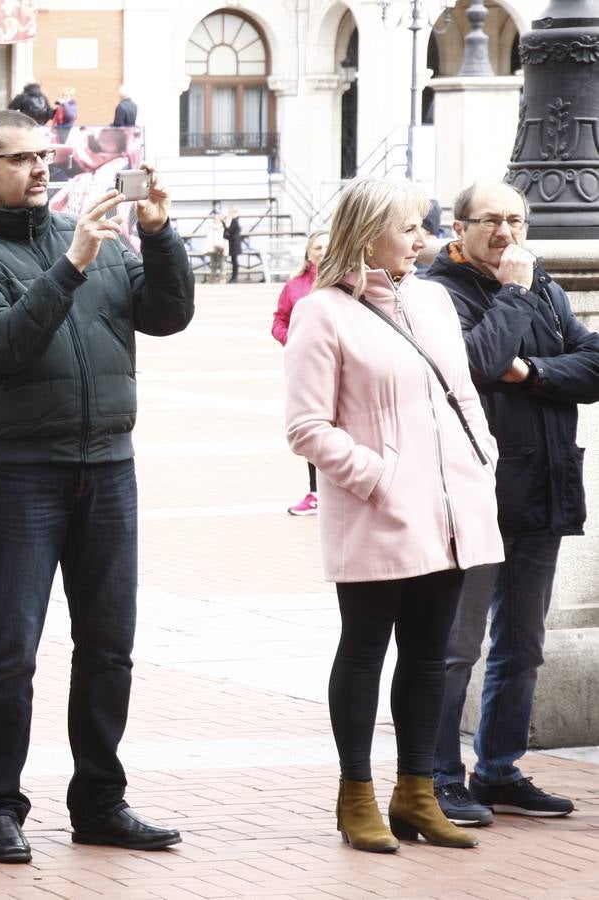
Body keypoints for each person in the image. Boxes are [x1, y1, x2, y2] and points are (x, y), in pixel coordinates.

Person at [0, 110, 194, 862]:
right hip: (20, 475)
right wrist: (70, 265)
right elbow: (2, 346)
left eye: (45, 156)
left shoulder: (101, 238)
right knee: (10, 647)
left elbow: (168, 314)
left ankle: (100, 801)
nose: (42, 169)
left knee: (110, 645)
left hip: (109, 463)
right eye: (22, 159)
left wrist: (162, 233)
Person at [284, 177, 503, 854]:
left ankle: (416, 793)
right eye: (409, 227)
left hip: (450, 510)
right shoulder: (323, 312)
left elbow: (462, 394)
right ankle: (357, 798)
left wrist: (481, 457)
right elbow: (305, 426)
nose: (424, 240)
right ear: (368, 231)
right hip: (378, 513)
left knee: (429, 657)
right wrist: (377, 476)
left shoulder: (433, 300)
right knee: (364, 651)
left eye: (424, 225)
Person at [426, 180, 599, 827]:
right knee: (454, 648)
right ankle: (438, 776)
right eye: (491, 221)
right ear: (460, 227)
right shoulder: (442, 293)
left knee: (521, 645)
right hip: (475, 497)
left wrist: (533, 374)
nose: (506, 233)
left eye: (515, 221)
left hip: (542, 495)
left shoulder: (545, 286)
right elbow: (475, 362)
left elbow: (594, 365)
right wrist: (512, 296)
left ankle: (497, 770)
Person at [271, 229, 329, 516]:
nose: (322, 251)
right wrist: (291, 340)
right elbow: (279, 320)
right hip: (306, 370)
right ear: (309, 252)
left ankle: (340, 491)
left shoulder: (349, 280)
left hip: (342, 367)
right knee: (312, 426)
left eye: (327, 246)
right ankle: (316, 492)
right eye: (317, 247)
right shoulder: (294, 286)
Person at [206, 213, 226, 284]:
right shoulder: (211, 228)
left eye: (217, 219)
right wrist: (209, 248)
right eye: (215, 219)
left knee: (222, 264)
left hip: (221, 248)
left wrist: (223, 248)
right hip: (212, 248)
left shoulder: (223, 228)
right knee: (213, 264)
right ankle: (211, 280)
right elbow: (209, 239)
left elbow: (224, 239)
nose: (216, 220)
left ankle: (223, 280)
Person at [225, 207, 243, 283]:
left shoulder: (235, 220)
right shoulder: (234, 220)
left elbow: (230, 230)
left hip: (235, 244)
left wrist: (224, 223)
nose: (229, 214)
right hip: (233, 243)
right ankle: (234, 276)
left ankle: (234, 277)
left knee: (234, 261)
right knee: (233, 260)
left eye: (230, 212)